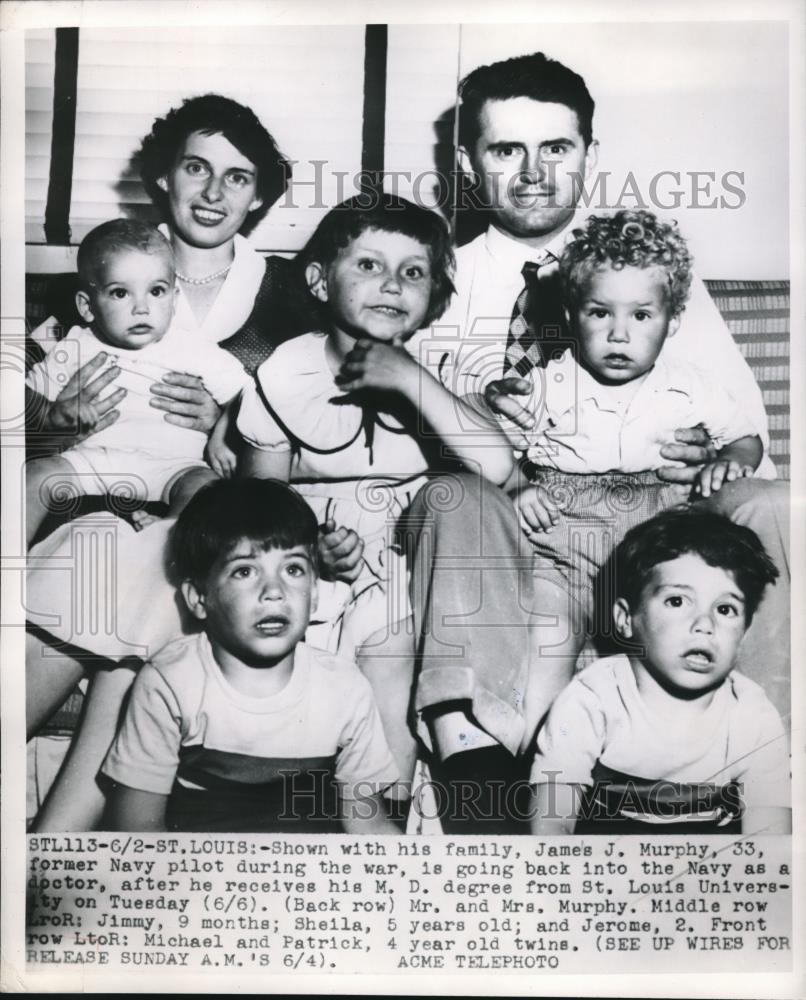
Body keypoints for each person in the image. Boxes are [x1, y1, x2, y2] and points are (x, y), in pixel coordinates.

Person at [397, 51, 790, 825]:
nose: (534, 172)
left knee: (783, 505)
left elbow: (750, 434)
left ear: (590, 156)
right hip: (534, 524)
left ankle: (770, 751)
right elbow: (394, 438)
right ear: (468, 163)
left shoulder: (657, 278)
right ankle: (480, 768)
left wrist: (717, 461)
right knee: (456, 492)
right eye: (507, 149)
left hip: (666, 512)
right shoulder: (431, 279)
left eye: (557, 148)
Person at [25, 95, 358, 831]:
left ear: (261, 195)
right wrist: (54, 427)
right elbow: (24, 421)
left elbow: (300, 449)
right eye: (197, 169)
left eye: (237, 178)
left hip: (189, 517)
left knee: (135, 606)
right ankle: (59, 849)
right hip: (82, 502)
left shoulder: (288, 301)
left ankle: (56, 852)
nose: (214, 192)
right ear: (163, 180)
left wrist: (231, 431)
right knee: (113, 586)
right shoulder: (102, 273)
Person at [236, 194, 514, 789]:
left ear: (431, 300)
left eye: (413, 272)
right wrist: (308, 547)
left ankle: (380, 812)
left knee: (393, 649)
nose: (391, 284)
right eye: (368, 265)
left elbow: (494, 470)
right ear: (317, 280)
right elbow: (260, 504)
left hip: (403, 559)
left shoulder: (436, 370)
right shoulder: (286, 372)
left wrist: (409, 378)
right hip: (314, 559)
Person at [507, 209, 767, 704]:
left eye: (641, 315)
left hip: (660, 538)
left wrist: (730, 460)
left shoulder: (689, 386)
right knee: (549, 634)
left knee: (674, 632)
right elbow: (495, 449)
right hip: (563, 543)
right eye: (599, 313)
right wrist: (517, 484)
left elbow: (746, 438)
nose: (619, 334)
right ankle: (543, 756)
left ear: (671, 322)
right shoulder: (546, 384)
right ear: (569, 314)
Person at [103, 478, 400, 834]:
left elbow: (368, 829)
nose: (274, 592)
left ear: (316, 594)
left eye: (293, 570)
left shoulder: (346, 689)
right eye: (244, 571)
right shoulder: (170, 682)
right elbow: (137, 831)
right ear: (199, 598)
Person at [529, 508, 790, 836]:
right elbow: (551, 824)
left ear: (745, 634)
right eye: (678, 601)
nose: (704, 625)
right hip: (606, 858)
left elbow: (770, 840)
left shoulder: (752, 712)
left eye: (725, 609)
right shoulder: (592, 699)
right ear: (626, 619)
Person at [25, 220, 249, 548]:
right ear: (87, 306)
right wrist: (54, 415)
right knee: (34, 476)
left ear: (174, 299)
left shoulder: (192, 347)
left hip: (174, 464)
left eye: (156, 291)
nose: (141, 307)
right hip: (90, 460)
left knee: (207, 488)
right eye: (120, 292)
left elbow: (246, 392)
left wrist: (222, 436)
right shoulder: (73, 344)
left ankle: (168, 538)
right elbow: (25, 398)